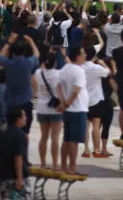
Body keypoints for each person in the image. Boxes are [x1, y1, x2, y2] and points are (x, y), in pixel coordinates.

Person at [0, 33, 39, 154]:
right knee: (25, 132)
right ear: (23, 52)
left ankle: (10, 153)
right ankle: (23, 155)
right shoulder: (28, 63)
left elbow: (1, 55)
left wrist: (9, 42)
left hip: (11, 101)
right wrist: (31, 41)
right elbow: (37, 54)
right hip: (25, 101)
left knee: (10, 129)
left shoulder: (8, 64)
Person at [57, 46, 88, 175]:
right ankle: (72, 167)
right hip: (77, 109)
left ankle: (63, 165)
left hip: (68, 110)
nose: (85, 55)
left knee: (67, 138)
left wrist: (62, 102)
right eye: (83, 53)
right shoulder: (79, 71)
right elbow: (76, 91)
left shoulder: (64, 69)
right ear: (77, 56)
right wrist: (68, 103)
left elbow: (58, 86)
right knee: (74, 141)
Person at [34, 53, 63, 169]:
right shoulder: (58, 74)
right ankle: (55, 164)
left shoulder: (38, 73)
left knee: (43, 137)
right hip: (55, 109)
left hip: (41, 107)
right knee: (55, 137)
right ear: (55, 63)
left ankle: (42, 163)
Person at [82, 45, 110, 158]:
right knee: (96, 125)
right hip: (96, 99)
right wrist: (102, 63)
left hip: (84, 99)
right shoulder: (96, 68)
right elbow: (108, 72)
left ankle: (86, 149)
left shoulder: (80, 67)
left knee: (85, 126)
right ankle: (97, 150)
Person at [0, 106, 30, 200]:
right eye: (24, 115)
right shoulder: (20, 134)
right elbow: (18, 157)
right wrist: (19, 178)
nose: (26, 118)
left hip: (4, 177)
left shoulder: (3, 133)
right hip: (15, 179)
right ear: (18, 119)